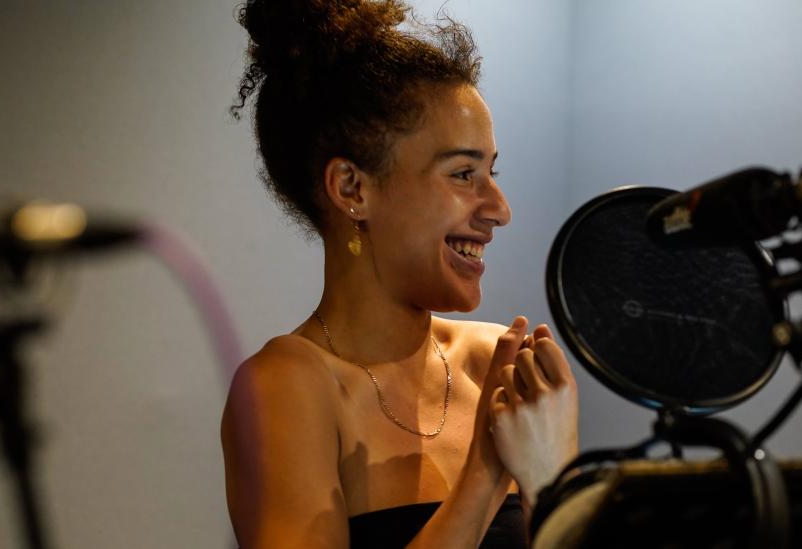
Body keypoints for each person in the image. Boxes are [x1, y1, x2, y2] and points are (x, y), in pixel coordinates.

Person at [221, 1, 579, 547]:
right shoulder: (288, 386)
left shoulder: (497, 368)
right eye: (463, 173)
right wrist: (484, 474)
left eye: (492, 171)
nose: (499, 208)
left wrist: (550, 488)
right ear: (352, 189)